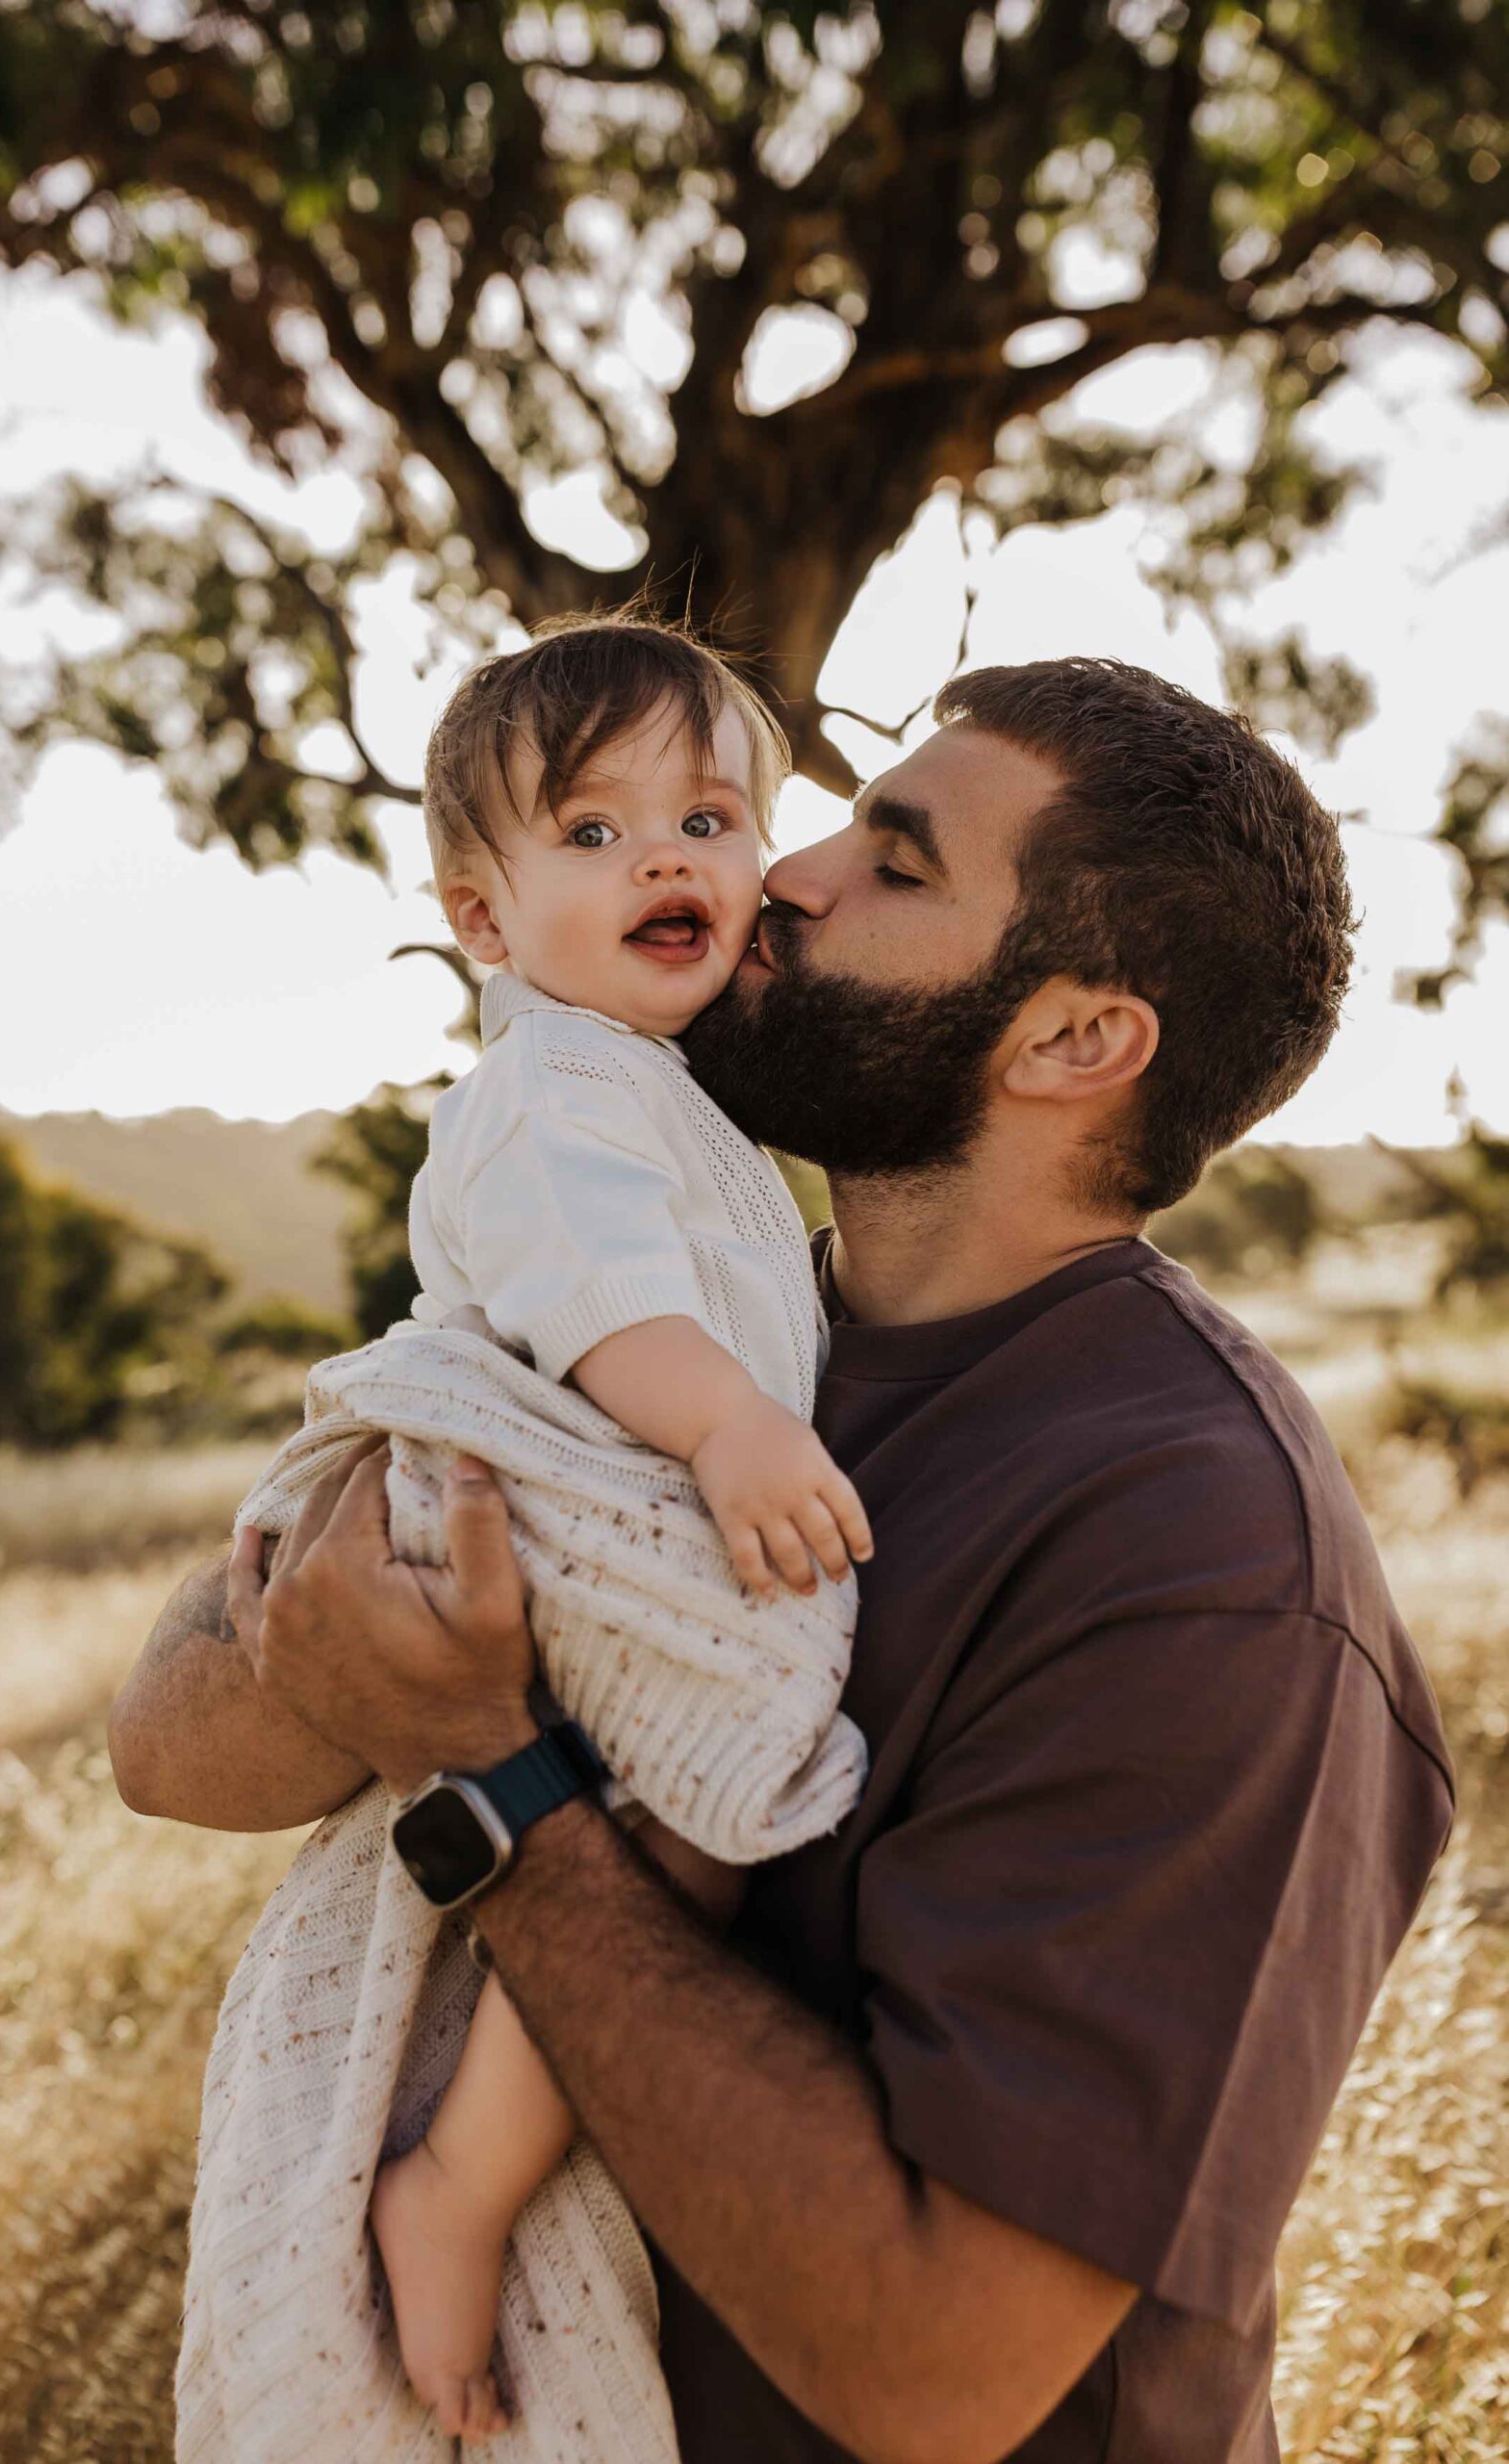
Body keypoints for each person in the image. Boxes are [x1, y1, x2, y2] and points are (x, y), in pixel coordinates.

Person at [112, 654, 1455, 2464]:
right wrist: (383, 1648)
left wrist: (491, 1783)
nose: (789, 873)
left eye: (893, 864)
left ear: (1070, 1040)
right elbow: (174, 1747)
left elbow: (939, 2375)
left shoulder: (1197, 1550)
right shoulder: (701, 1339)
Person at [342, 616, 872, 2440]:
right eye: (589, 833)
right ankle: (463, 2185)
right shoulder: (553, 1091)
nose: (667, 858)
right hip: (588, 1509)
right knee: (713, 1807)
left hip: (627, 1502)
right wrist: (726, 1423)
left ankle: (488, 2170)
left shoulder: (651, 1083)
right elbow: (599, 1306)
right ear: (482, 922)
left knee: (689, 1825)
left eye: (710, 820)